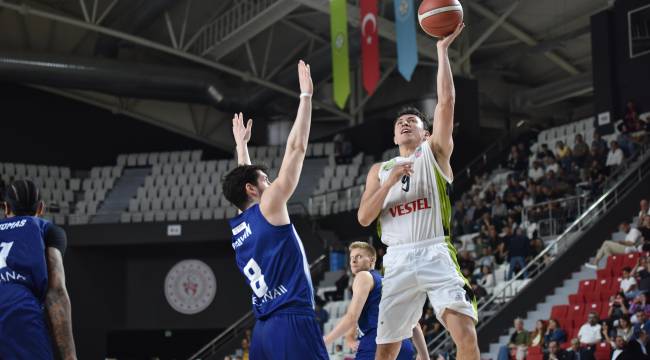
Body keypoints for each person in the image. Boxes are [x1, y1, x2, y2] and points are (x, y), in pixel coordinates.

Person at [356, 23, 478, 360]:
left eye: (412, 121)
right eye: (400, 124)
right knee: (385, 352)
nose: (405, 123)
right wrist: (391, 181)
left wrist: (441, 53)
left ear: (426, 134)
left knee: (465, 335)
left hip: (434, 251)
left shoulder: (434, 153)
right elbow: (365, 217)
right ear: (394, 138)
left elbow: (447, 101)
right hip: (397, 260)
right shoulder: (378, 171)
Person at [223, 61, 329, 359]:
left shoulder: (240, 226)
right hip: (291, 321)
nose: (271, 184)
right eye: (265, 180)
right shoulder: (269, 206)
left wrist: (242, 148)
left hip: (263, 331)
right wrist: (306, 98)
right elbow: (296, 149)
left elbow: (245, 183)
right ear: (252, 190)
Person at [0, 179, 77, 359]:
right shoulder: (46, 230)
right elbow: (56, 291)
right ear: (41, 208)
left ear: (6, 208)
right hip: (17, 311)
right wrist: (70, 357)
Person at [323, 242, 428, 360]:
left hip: (376, 342)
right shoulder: (388, 282)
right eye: (352, 257)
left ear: (372, 259)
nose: (353, 261)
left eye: (359, 256)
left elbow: (352, 317)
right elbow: (414, 324)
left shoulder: (363, 276)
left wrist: (325, 341)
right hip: (403, 345)